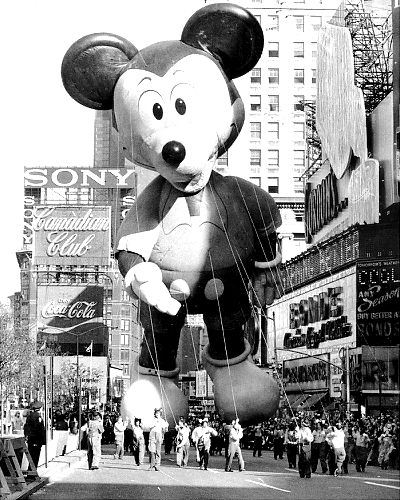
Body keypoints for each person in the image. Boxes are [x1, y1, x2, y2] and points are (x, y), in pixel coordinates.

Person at [23, 402, 46, 468]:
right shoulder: (36, 416)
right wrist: (41, 441)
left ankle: (31, 472)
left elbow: (26, 428)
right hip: (36, 440)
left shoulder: (31, 416)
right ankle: (32, 474)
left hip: (32, 440)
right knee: (35, 457)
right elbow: (38, 430)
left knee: (32, 457)